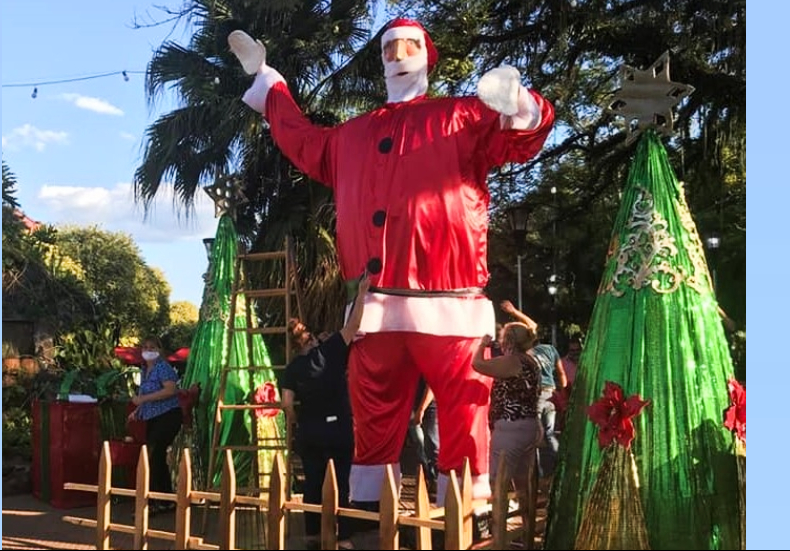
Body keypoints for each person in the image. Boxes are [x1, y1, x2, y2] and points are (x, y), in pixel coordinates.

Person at [227, 17, 556, 504]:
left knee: (464, 413)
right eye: (389, 47)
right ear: (380, 58)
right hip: (376, 307)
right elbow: (301, 139)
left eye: (409, 44)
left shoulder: (463, 115)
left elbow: (524, 137)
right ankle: (367, 510)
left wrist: (521, 103)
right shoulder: (351, 135)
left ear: (426, 55)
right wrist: (270, 83)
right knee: (373, 419)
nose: (398, 53)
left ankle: (463, 512)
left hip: (450, 300)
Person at [281, 273, 370, 549]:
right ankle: (341, 537)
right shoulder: (330, 351)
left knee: (313, 483)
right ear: (312, 340)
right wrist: (362, 293)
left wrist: (296, 421)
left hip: (310, 429)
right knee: (340, 481)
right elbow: (353, 324)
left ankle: (312, 535)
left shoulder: (292, 369)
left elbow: (286, 403)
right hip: (338, 427)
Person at [471, 323, 541, 532]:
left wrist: (482, 344)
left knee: (498, 483)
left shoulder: (512, 361)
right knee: (522, 485)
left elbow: (478, 365)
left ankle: (500, 536)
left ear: (508, 341)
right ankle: (529, 532)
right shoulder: (531, 361)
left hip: (511, 429)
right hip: (528, 426)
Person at [499, 301, 566, 476]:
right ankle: (560, 468)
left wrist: (513, 311)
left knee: (533, 436)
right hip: (551, 392)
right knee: (549, 434)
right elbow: (561, 373)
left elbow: (532, 326)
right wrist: (563, 392)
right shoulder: (550, 350)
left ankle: (536, 474)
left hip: (535, 395)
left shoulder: (524, 355)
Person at [128, 336, 182, 513]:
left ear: (159, 350)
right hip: (153, 416)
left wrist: (143, 399)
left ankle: (154, 501)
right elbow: (147, 396)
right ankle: (165, 499)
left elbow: (170, 390)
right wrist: (137, 411)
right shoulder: (144, 370)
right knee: (156, 457)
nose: (148, 350)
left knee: (153, 454)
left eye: (152, 347)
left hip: (168, 415)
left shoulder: (162, 367)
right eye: (145, 347)